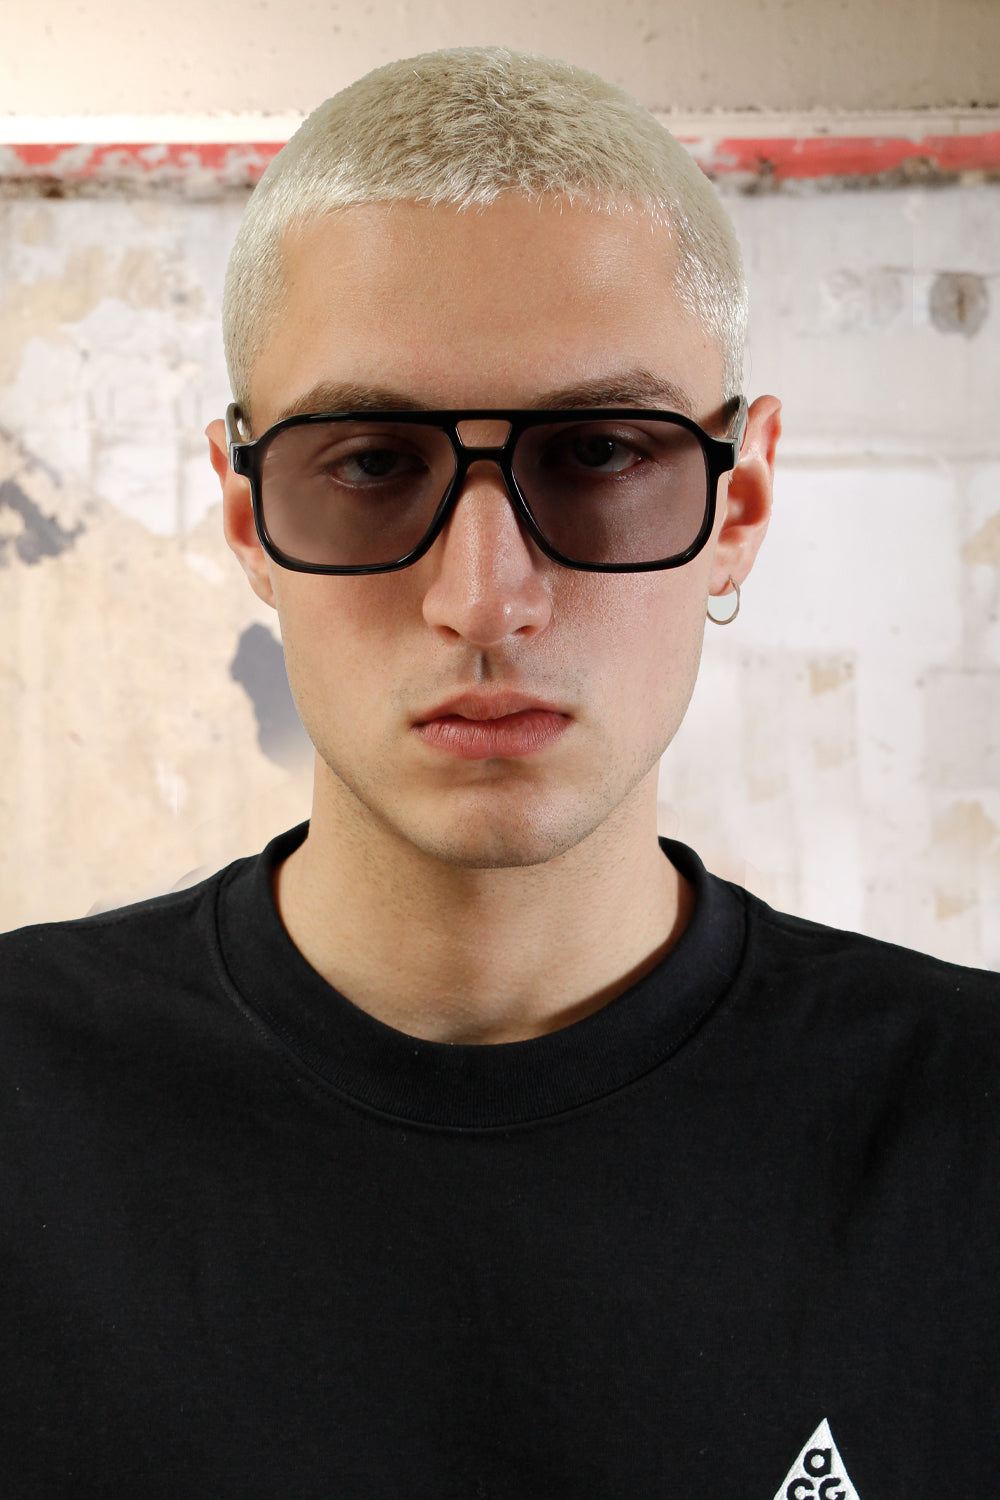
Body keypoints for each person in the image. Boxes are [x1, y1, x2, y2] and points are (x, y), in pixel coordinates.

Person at [1, 46, 997, 1500]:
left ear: (741, 503)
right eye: (369, 462)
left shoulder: (968, 1128)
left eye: (598, 452)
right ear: (246, 514)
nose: (485, 597)